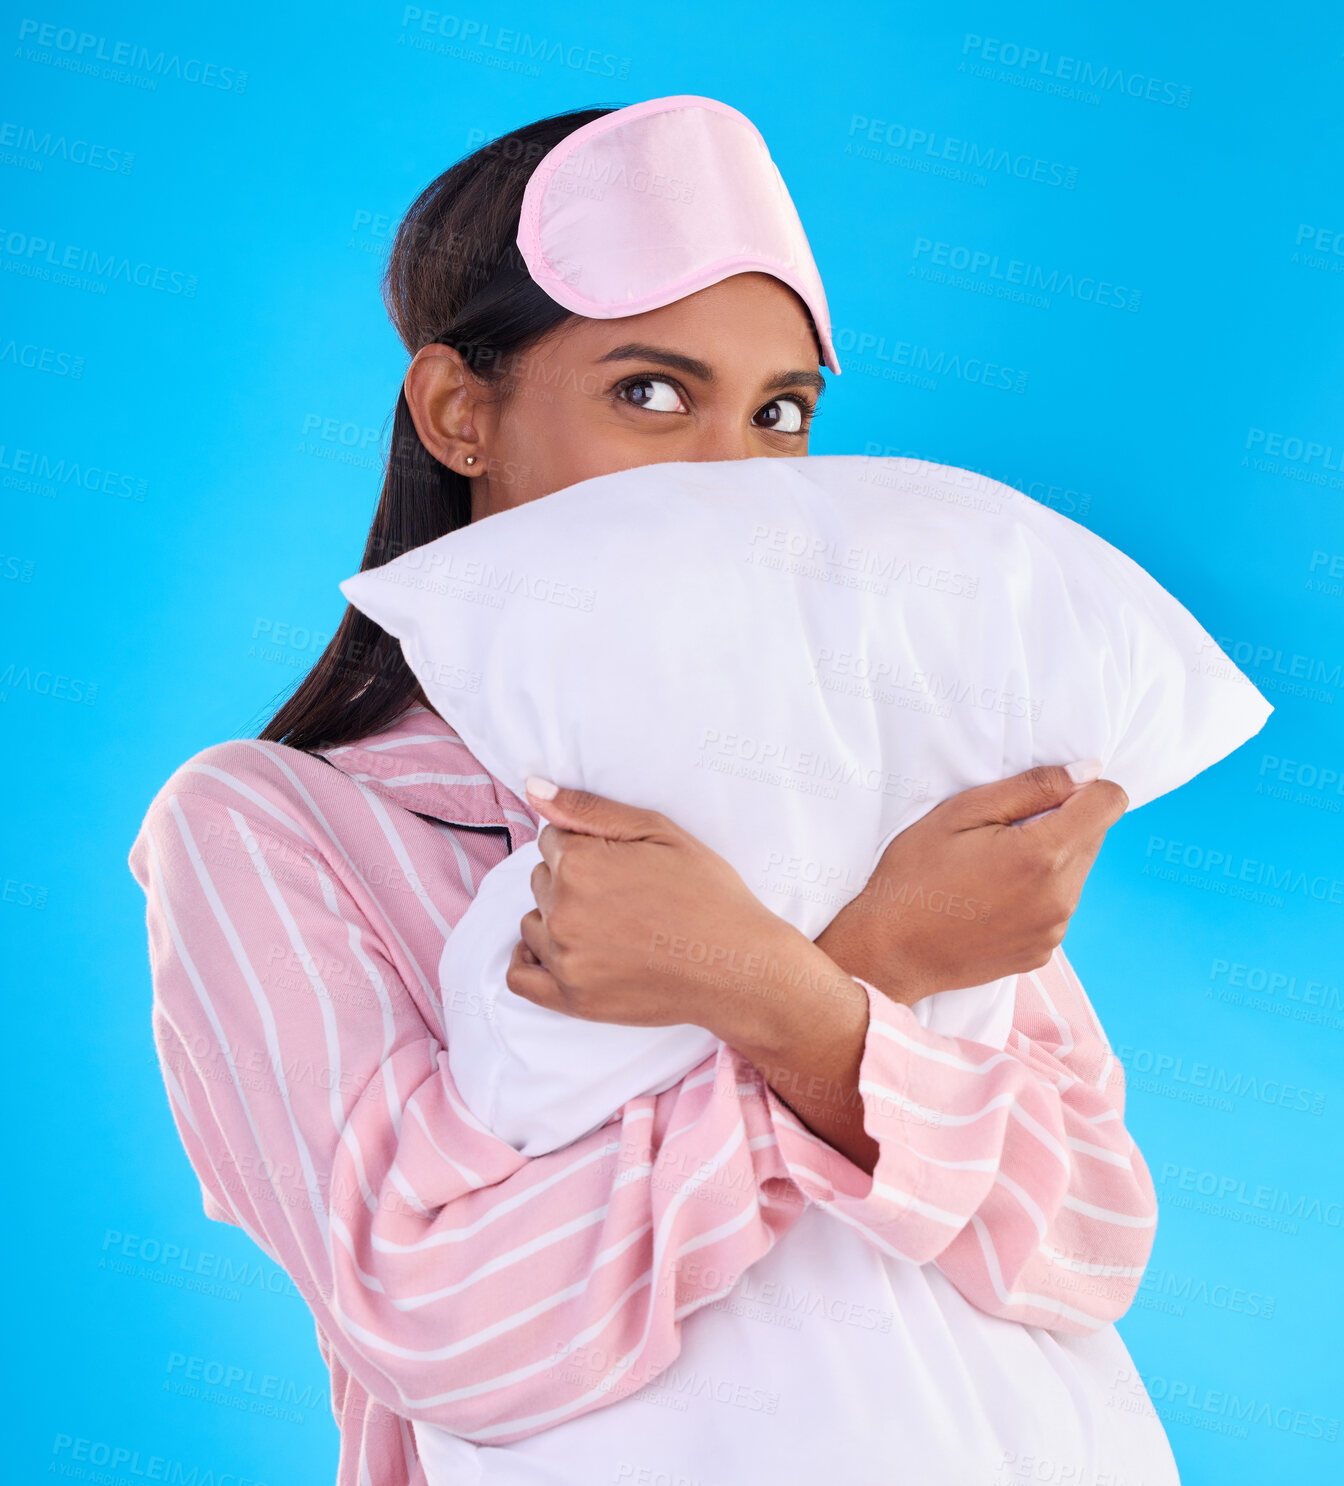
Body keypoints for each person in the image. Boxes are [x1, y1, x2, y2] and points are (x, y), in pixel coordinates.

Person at [128, 99, 1177, 1485]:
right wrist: (863, 977)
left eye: (779, 413)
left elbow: (1091, 1238)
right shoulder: (273, 827)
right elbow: (441, 1324)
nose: (736, 481)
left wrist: (778, 988)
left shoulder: (880, 774)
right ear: (459, 412)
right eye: (651, 393)